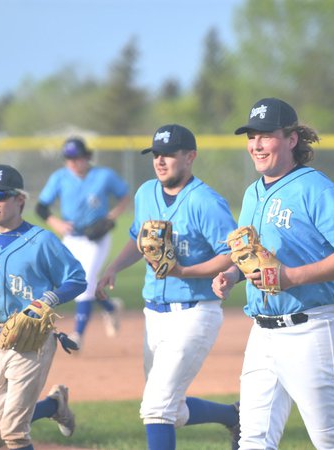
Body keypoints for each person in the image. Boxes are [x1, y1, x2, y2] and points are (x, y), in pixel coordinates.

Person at [212, 98, 334, 450]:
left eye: (266, 136)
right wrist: (233, 274)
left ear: (291, 139)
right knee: (252, 440)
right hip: (262, 332)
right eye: (251, 137)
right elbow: (254, 257)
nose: (256, 145)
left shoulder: (316, 188)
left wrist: (291, 277)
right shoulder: (253, 192)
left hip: (312, 329)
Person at [96, 124, 240, 450]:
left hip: (194, 312)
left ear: (190, 157)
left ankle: (235, 418)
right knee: (169, 410)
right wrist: (113, 268)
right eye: (156, 154)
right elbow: (139, 237)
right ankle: (235, 417)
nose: (160, 161)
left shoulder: (205, 201)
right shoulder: (146, 192)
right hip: (154, 315)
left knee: (156, 408)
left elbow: (233, 254)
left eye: (169, 155)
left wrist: (185, 271)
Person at [0, 164, 88, 449]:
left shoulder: (41, 241)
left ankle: (42, 413)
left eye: (0, 195)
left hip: (33, 342)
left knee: (13, 432)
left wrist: (48, 300)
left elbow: (77, 279)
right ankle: (55, 405)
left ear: (20, 199)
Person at [36, 136, 130, 350]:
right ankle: (110, 308)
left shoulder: (103, 175)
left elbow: (124, 195)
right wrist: (56, 223)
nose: (72, 162)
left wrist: (111, 216)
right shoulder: (60, 177)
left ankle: (77, 335)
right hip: (71, 238)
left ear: (87, 157)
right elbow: (41, 207)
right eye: (68, 158)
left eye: (76, 157)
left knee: (85, 281)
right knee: (72, 281)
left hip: (97, 239)